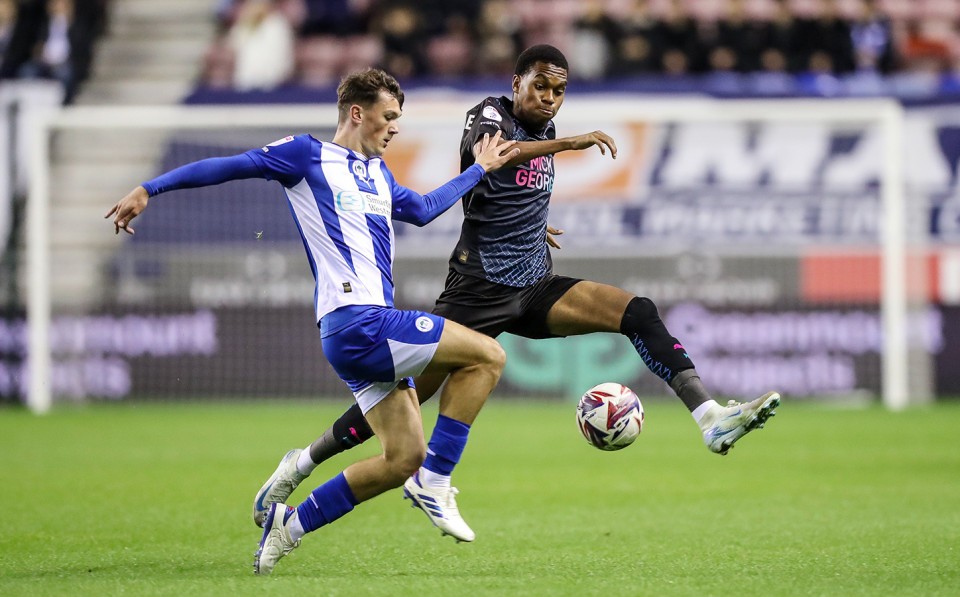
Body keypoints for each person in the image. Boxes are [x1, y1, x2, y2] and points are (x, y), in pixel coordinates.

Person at [252, 44, 781, 540]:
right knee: (404, 400)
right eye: (540, 87)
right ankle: (301, 463)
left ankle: (710, 418)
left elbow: (517, 188)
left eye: (558, 91)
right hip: (477, 291)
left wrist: (534, 223)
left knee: (636, 311)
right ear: (516, 83)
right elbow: (502, 155)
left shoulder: (544, 125)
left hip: (535, 285)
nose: (549, 99)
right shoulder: (488, 114)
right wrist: (570, 143)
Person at [105, 68, 520, 575]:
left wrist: (478, 170)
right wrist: (151, 187)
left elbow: (426, 208)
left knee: (400, 458)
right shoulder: (306, 155)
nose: (394, 128)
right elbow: (230, 166)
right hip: (356, 321)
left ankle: (289, 526)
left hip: (366, 330)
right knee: (488, 355)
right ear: (356, 112)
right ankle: (436, 481)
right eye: (388, 117)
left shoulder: (378, 175)